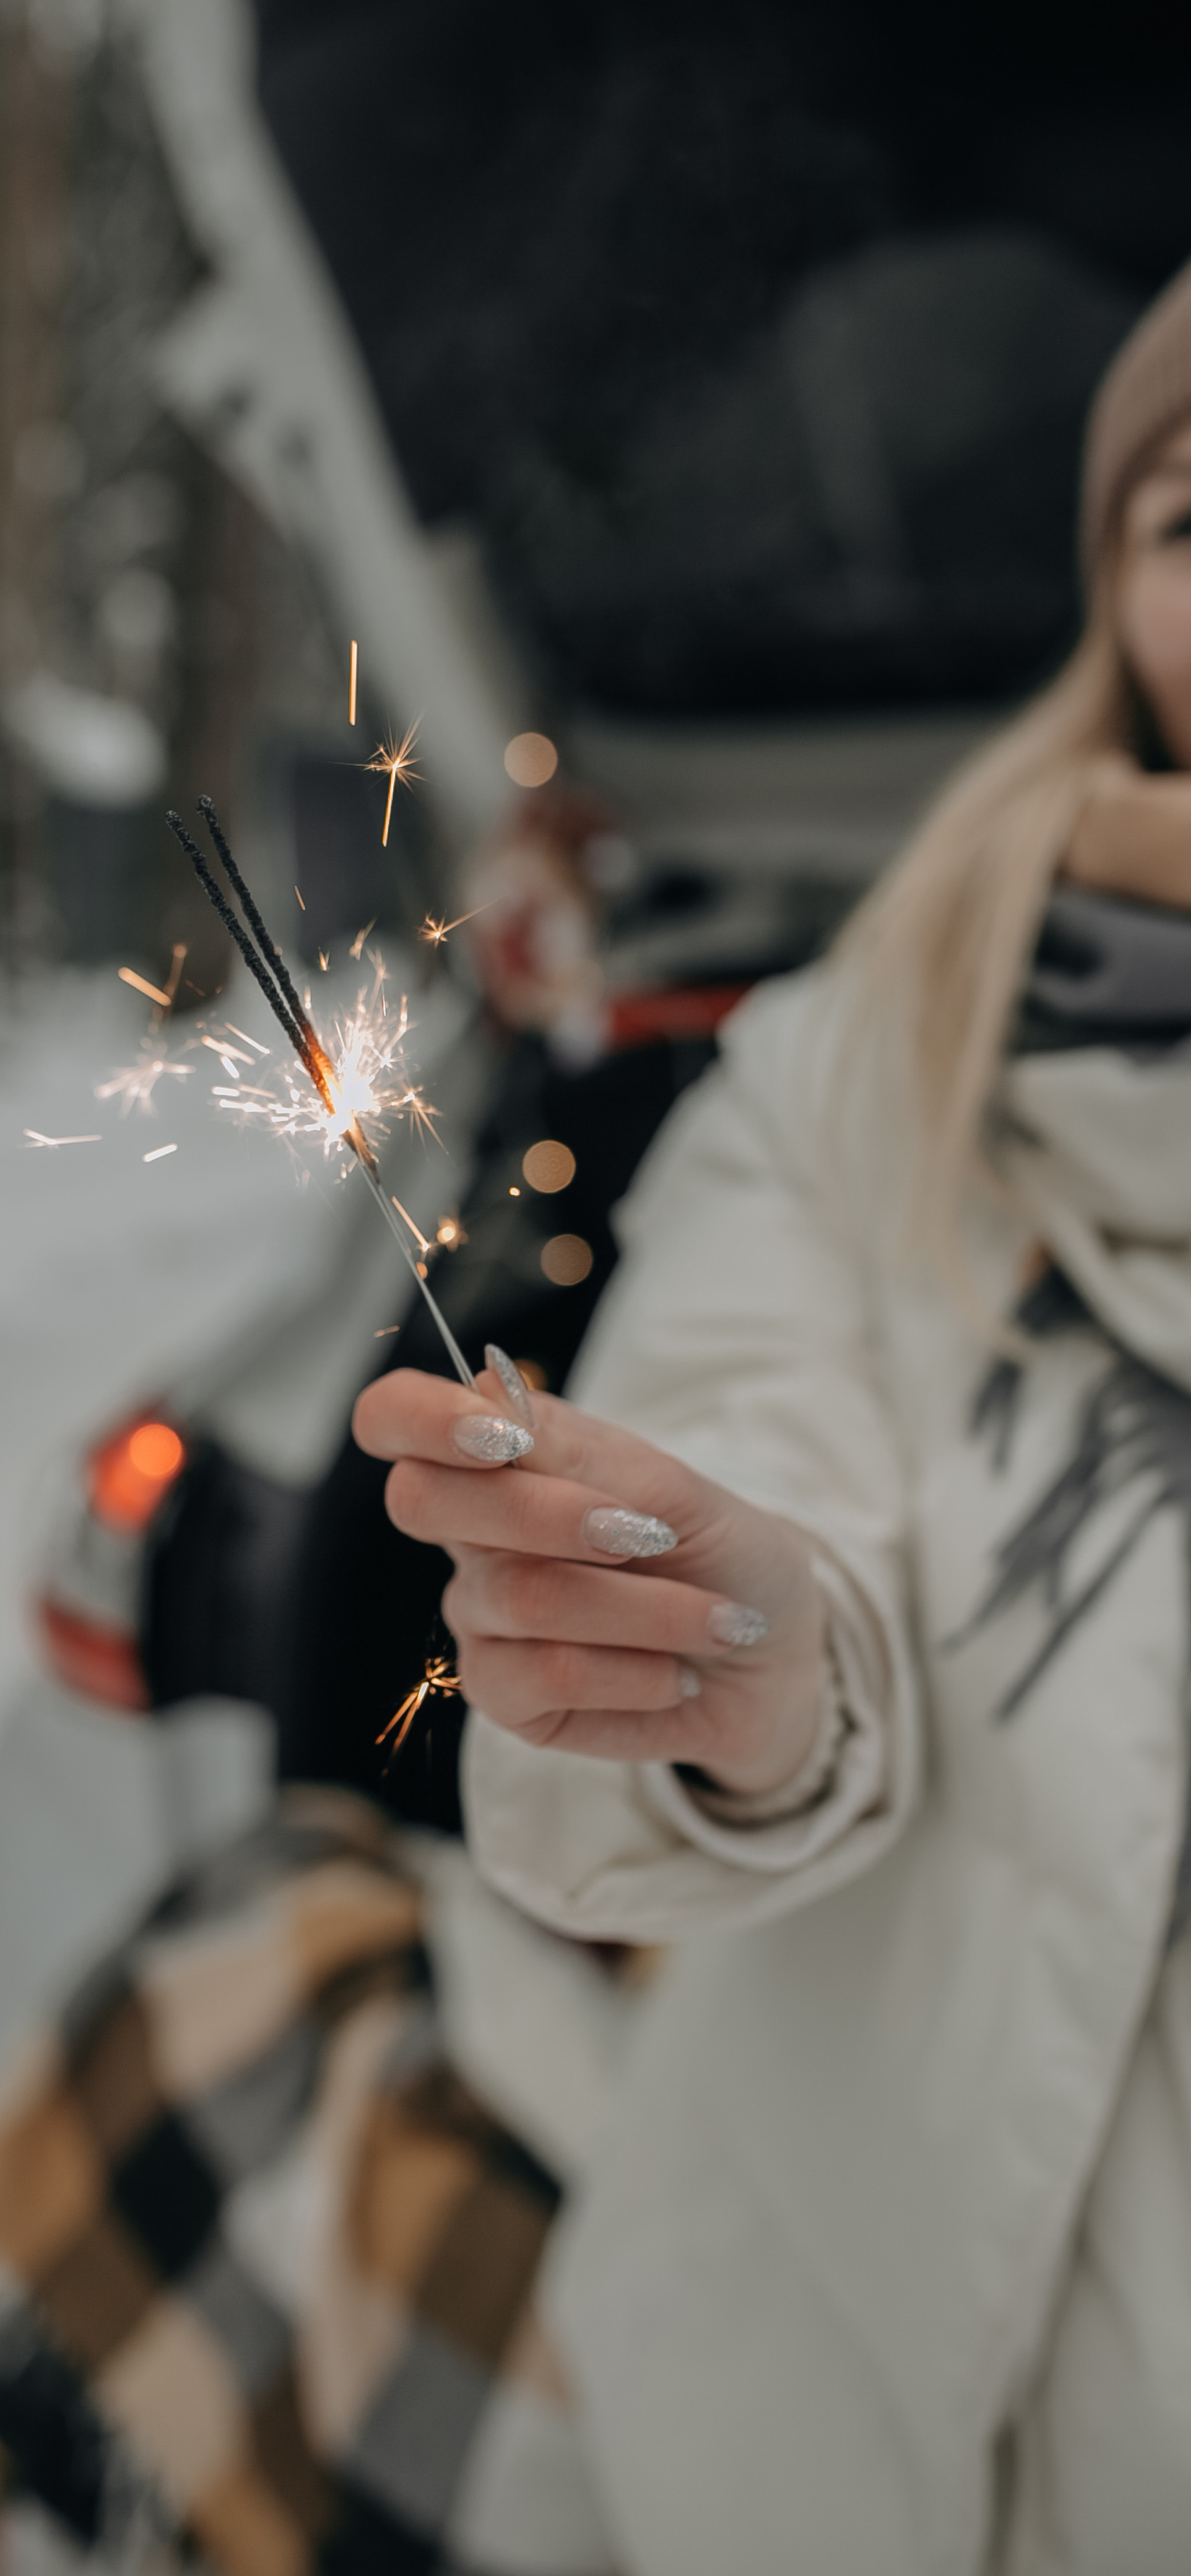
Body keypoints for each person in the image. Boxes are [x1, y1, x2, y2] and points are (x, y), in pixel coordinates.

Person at [354, 252, 1191, 2573]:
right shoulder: (850, 1068)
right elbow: (753, 1448)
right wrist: (751, 1667)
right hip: (833, 2434)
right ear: (1119, 606)